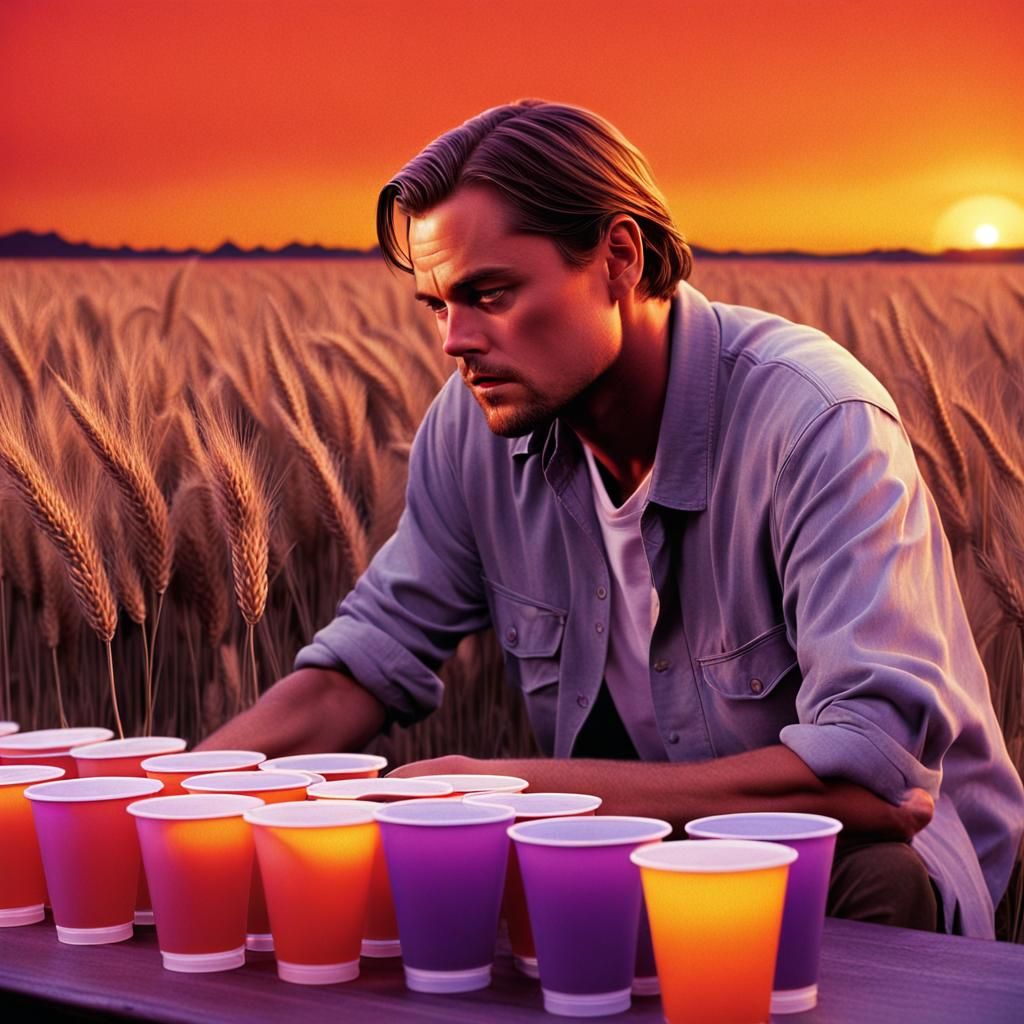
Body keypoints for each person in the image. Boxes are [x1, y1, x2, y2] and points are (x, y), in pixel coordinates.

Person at [199, 99, 1024, 938]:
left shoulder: (815, 422)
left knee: (875, 878)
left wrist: (509, 789)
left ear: (619, 257)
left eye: (490, 293)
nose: (454, 340)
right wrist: (184, 791)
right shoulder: (473, 425)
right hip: (621, 845)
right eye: (437, 305)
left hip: (829, 864)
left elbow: (872, 785)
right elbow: (362, 665)